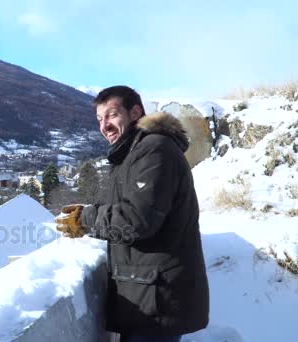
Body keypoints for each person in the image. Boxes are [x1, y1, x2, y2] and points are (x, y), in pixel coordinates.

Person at [56, 86, 209, 342]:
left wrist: (85, 219)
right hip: (149, 292)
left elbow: (137, 220)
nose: (105, 125)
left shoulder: (155, 150)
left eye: (112, 115)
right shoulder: (133, 153)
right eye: (100, 119)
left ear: (135, 112)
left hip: (158, 300)